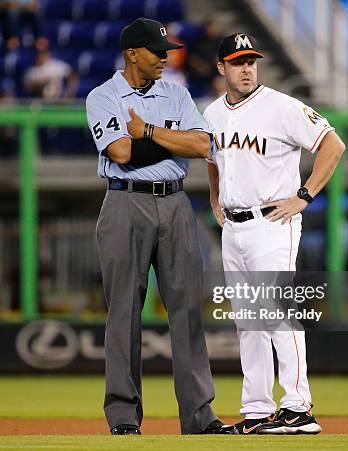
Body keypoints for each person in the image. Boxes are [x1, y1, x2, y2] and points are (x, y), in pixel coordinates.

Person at [85, 17, 233, 436]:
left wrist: (148, 131)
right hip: (124, 201)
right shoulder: (104, 96)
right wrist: (171, 139)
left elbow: (204, 145)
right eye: (157, 51)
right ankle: (124, 417)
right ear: (132, 54)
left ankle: (200, 418)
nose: (166, 57)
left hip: (175, 203)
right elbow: (120, 151)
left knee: (187, 311)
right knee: (124, 314)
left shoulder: (177, 92)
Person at [204, 33, 346, 435]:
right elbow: (213, 158)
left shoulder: (282, 107)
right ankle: (258, 410)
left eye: (251, 61)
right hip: (234, 226)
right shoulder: (213, 114)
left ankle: (299, 408)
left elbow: (333, 145)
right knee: (249, 322)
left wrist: (304, 195)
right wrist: (216, 198)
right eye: (237, 62)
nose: (247, 68)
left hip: (273, 223)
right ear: (221, 68)